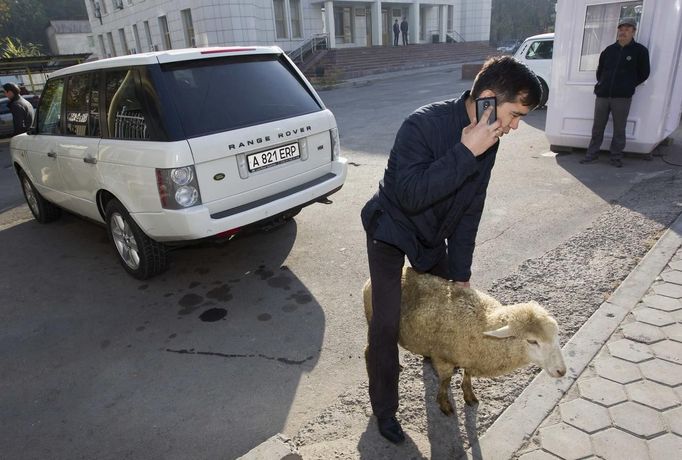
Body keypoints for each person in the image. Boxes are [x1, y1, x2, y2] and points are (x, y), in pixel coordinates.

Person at [360, 56, 541, 444]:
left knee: (450, 306)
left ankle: (435, 353)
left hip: (432, 235)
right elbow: (409, 196)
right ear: (489, 98)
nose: (514, 126)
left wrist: (460, 273)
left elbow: (469, 208)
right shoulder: (421, 124)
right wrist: (464, 150)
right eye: (515, 114)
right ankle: (385, 410)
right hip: (390, 229)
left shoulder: (489, 140)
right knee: (387, 321)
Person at [580, 17, 650, 168]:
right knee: (597, 127)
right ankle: (591, 155)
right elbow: (600, 71)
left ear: (633, 31)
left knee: (619, 128)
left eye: (627, 29)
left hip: (622, 97)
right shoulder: (609, 50)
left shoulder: (640, 51)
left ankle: (615, 157)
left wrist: (628, 85)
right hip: (603, 95)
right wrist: (603, 84)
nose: (623, 32)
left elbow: (644, 73)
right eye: (621, 29)